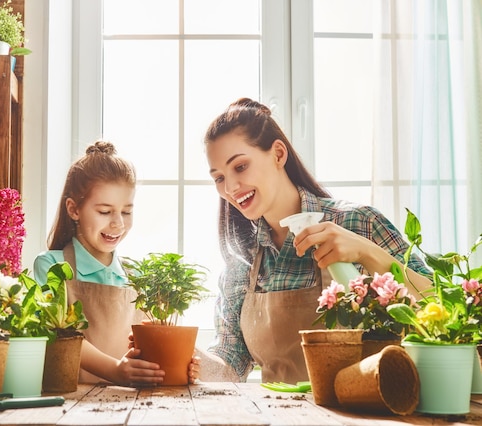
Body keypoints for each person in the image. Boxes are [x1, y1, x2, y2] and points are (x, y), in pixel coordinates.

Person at [197, 98, 433, 384]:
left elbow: (443, 308)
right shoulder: (241, 265)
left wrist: (367, 253)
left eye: (241, 167)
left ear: (278, 154)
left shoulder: (358, 222)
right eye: (219, 178)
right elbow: (230, 363)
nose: (231, 187)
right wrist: (184, 358)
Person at [34, 141, 198, 387]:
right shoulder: (52, 265)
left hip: (126, 407)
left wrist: (182, 361)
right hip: (67, 403)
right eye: (104, 211)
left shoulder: (134, 277)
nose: (118, 224)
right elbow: (57, 335)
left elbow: (148, 346)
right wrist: (116, 371)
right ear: (74, 209)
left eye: (126, 212)